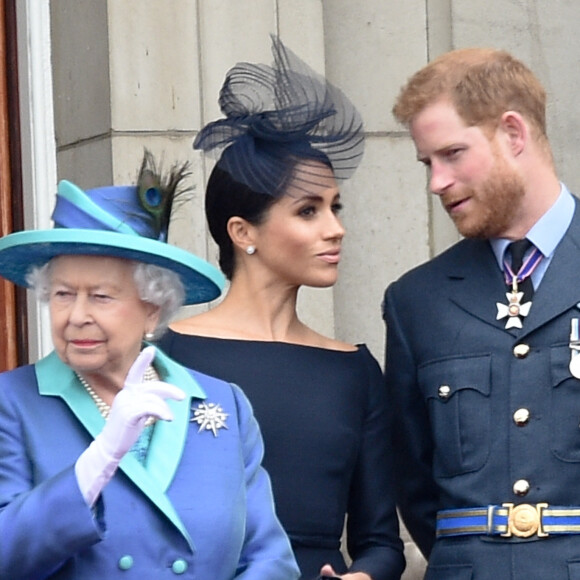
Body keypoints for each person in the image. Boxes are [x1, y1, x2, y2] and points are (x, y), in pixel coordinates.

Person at [157, 37, 405, 580]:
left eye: (335, 208)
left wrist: (364, 576)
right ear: (243, 232)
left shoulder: (354, 369)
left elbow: (381, 541)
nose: (335, 228)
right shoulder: (166, 356)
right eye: (308, 211)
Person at [0, 151, 300, 580]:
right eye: (64, 294)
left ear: (153, 310)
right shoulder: (12, 403)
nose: (77, 315)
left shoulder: (223, 404)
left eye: (101, 296)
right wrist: (98, 461)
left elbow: (269, 556)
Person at [383, 47, 580, 579]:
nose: (436, 182)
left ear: (513, 134)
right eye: (429, 163)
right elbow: (416, 485)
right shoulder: (415, 302)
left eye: (452, 154)